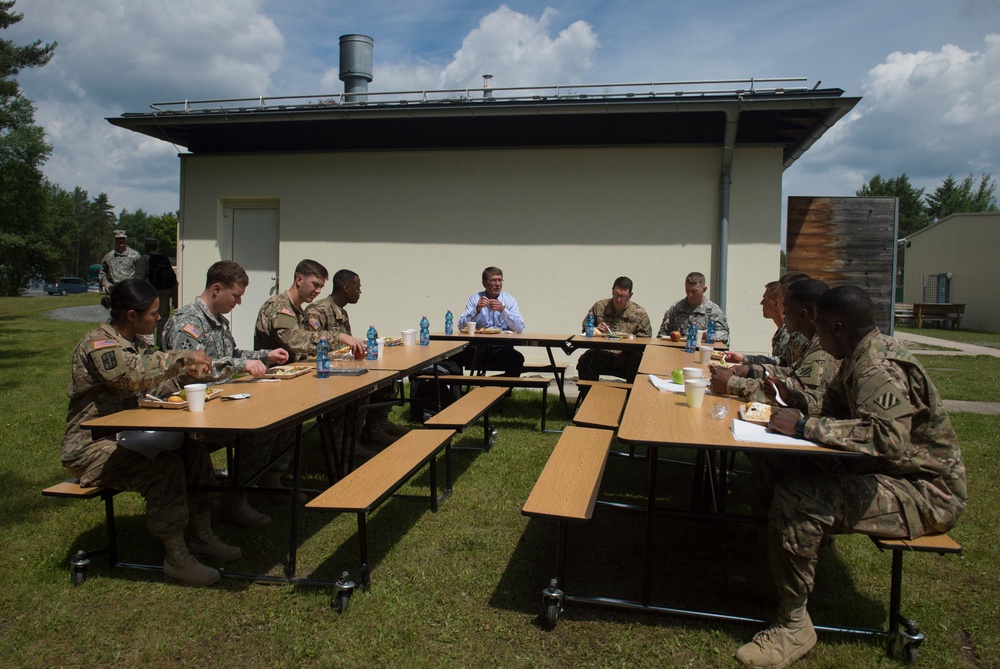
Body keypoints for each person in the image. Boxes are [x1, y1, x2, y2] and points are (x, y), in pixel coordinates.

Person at [734, 285, 967, 668]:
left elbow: (887, 439)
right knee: (776, 465)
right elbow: (837, 410)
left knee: (799, 498)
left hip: (925, 490)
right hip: (889, 471)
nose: (818, 340)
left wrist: (806, 426)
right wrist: (793, 397)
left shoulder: (877, 366)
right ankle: (779, 579)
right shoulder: (859, 356)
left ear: (838, 328)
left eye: (822, 331)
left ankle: (794, 625)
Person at [61, 278, 238, 587]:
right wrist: (182, 358)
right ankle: (176, 556)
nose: (159, 319)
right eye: (154, 314)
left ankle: (203, 535)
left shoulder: (140, 344)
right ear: (131, 315)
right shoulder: (99, 343)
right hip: (91, 445)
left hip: (129, 435)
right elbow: (127, 375)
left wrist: (185, 377)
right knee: (164, 468)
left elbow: (152, 384)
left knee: (193, 451)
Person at [162, 260, 290, 527]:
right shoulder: (187, 323)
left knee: (280, 421)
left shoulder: (218, 322)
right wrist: (243, 365)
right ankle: (235, 500)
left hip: (221, 404)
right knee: (259, 432)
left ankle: (255, 488)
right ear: (217, 289)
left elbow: (231, 356)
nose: (239, 303)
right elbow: (193, 370)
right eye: (236, 296)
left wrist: (265, 355)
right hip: (192, 415)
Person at [308, 269, 409, 450]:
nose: (360, 291)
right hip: (324, 373)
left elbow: (344, 347)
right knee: (361, 390)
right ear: (346, 288)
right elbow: (310, 341)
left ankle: (375, 428)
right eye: (358, 287)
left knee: (386, 378)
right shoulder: (318, 311)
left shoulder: (341, 312)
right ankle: (342, 446)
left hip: (342, 368)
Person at [711, 279, 838, 412]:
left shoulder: (823, 347)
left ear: (803, 314)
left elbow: (798, 391)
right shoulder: (813, 340)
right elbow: (790, 371)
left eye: (787, 309)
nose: (783, 314)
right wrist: (751, 370)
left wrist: (734, 383)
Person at [725, 272, 811, 369]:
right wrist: (744, 359)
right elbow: (782, 362)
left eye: (781, 295)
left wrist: (747, 373)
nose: (781, 302)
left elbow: (791, 375)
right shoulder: (793, 331)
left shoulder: (805, 335)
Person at [254, 259, 335, 359]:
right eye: (315, 285)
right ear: (299, 280)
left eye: (321, 287)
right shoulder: (279, 306)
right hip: (272, 372)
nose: (318, 291)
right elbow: (294, 340)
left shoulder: (297, 310)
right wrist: (337, 337)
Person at [576, 276, 651, 382]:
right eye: (616, 295)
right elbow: (585, 329)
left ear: (630, 295)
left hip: (627, 357)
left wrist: (626, 353)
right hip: (603, 353)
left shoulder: (639, 313)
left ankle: (630, 397)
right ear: (612, 290)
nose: (618, 299)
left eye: (623, 296)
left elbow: (645, 340)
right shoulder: (600, 307)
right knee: (586, 360)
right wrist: (595, 330)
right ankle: (588, 396)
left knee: (638, 362)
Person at [456, 266, 525, 376]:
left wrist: (503, 310)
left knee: (517, 358)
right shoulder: (474, 299)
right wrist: (476, 310)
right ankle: (457, 392)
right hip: (477, 348)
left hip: (501, 348)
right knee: (454, 357)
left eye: (500, 280)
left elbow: (520, 328)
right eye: (493, 280)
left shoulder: (509, 301)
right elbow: (461, 326)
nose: (497, 284)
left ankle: (503, 391)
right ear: (484, 283)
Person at [656, 271, 730, 344]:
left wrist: (710, 336)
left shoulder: (713, 310)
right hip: (677, 351)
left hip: (701, 351)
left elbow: (724, 334)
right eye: (687, 290)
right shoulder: (676, 308)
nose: (690, 294)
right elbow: (662, 334)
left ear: (704, 289)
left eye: (694, 291)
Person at [139, 238, 178, 347]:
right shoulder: (163, 258)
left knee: (148, 318)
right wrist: (175, 297)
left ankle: (148, 345)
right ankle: (162, 344)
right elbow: (172, 279)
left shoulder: (143, 259)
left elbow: (138, 278)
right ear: (156, 246)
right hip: (164, 294)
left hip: (149, 295)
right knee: (163, 320)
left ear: (146, 246)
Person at [98, 230, 142, 294]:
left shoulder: (135, 255)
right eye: (119, 239)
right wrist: (105, 283)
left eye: (123, 239)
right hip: (115, 290)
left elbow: (141, 272)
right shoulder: (109, 256)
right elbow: (102, 270)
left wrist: (137, 284)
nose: (121, 241)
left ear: (125, 239)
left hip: (130, 290)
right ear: (115, 239)